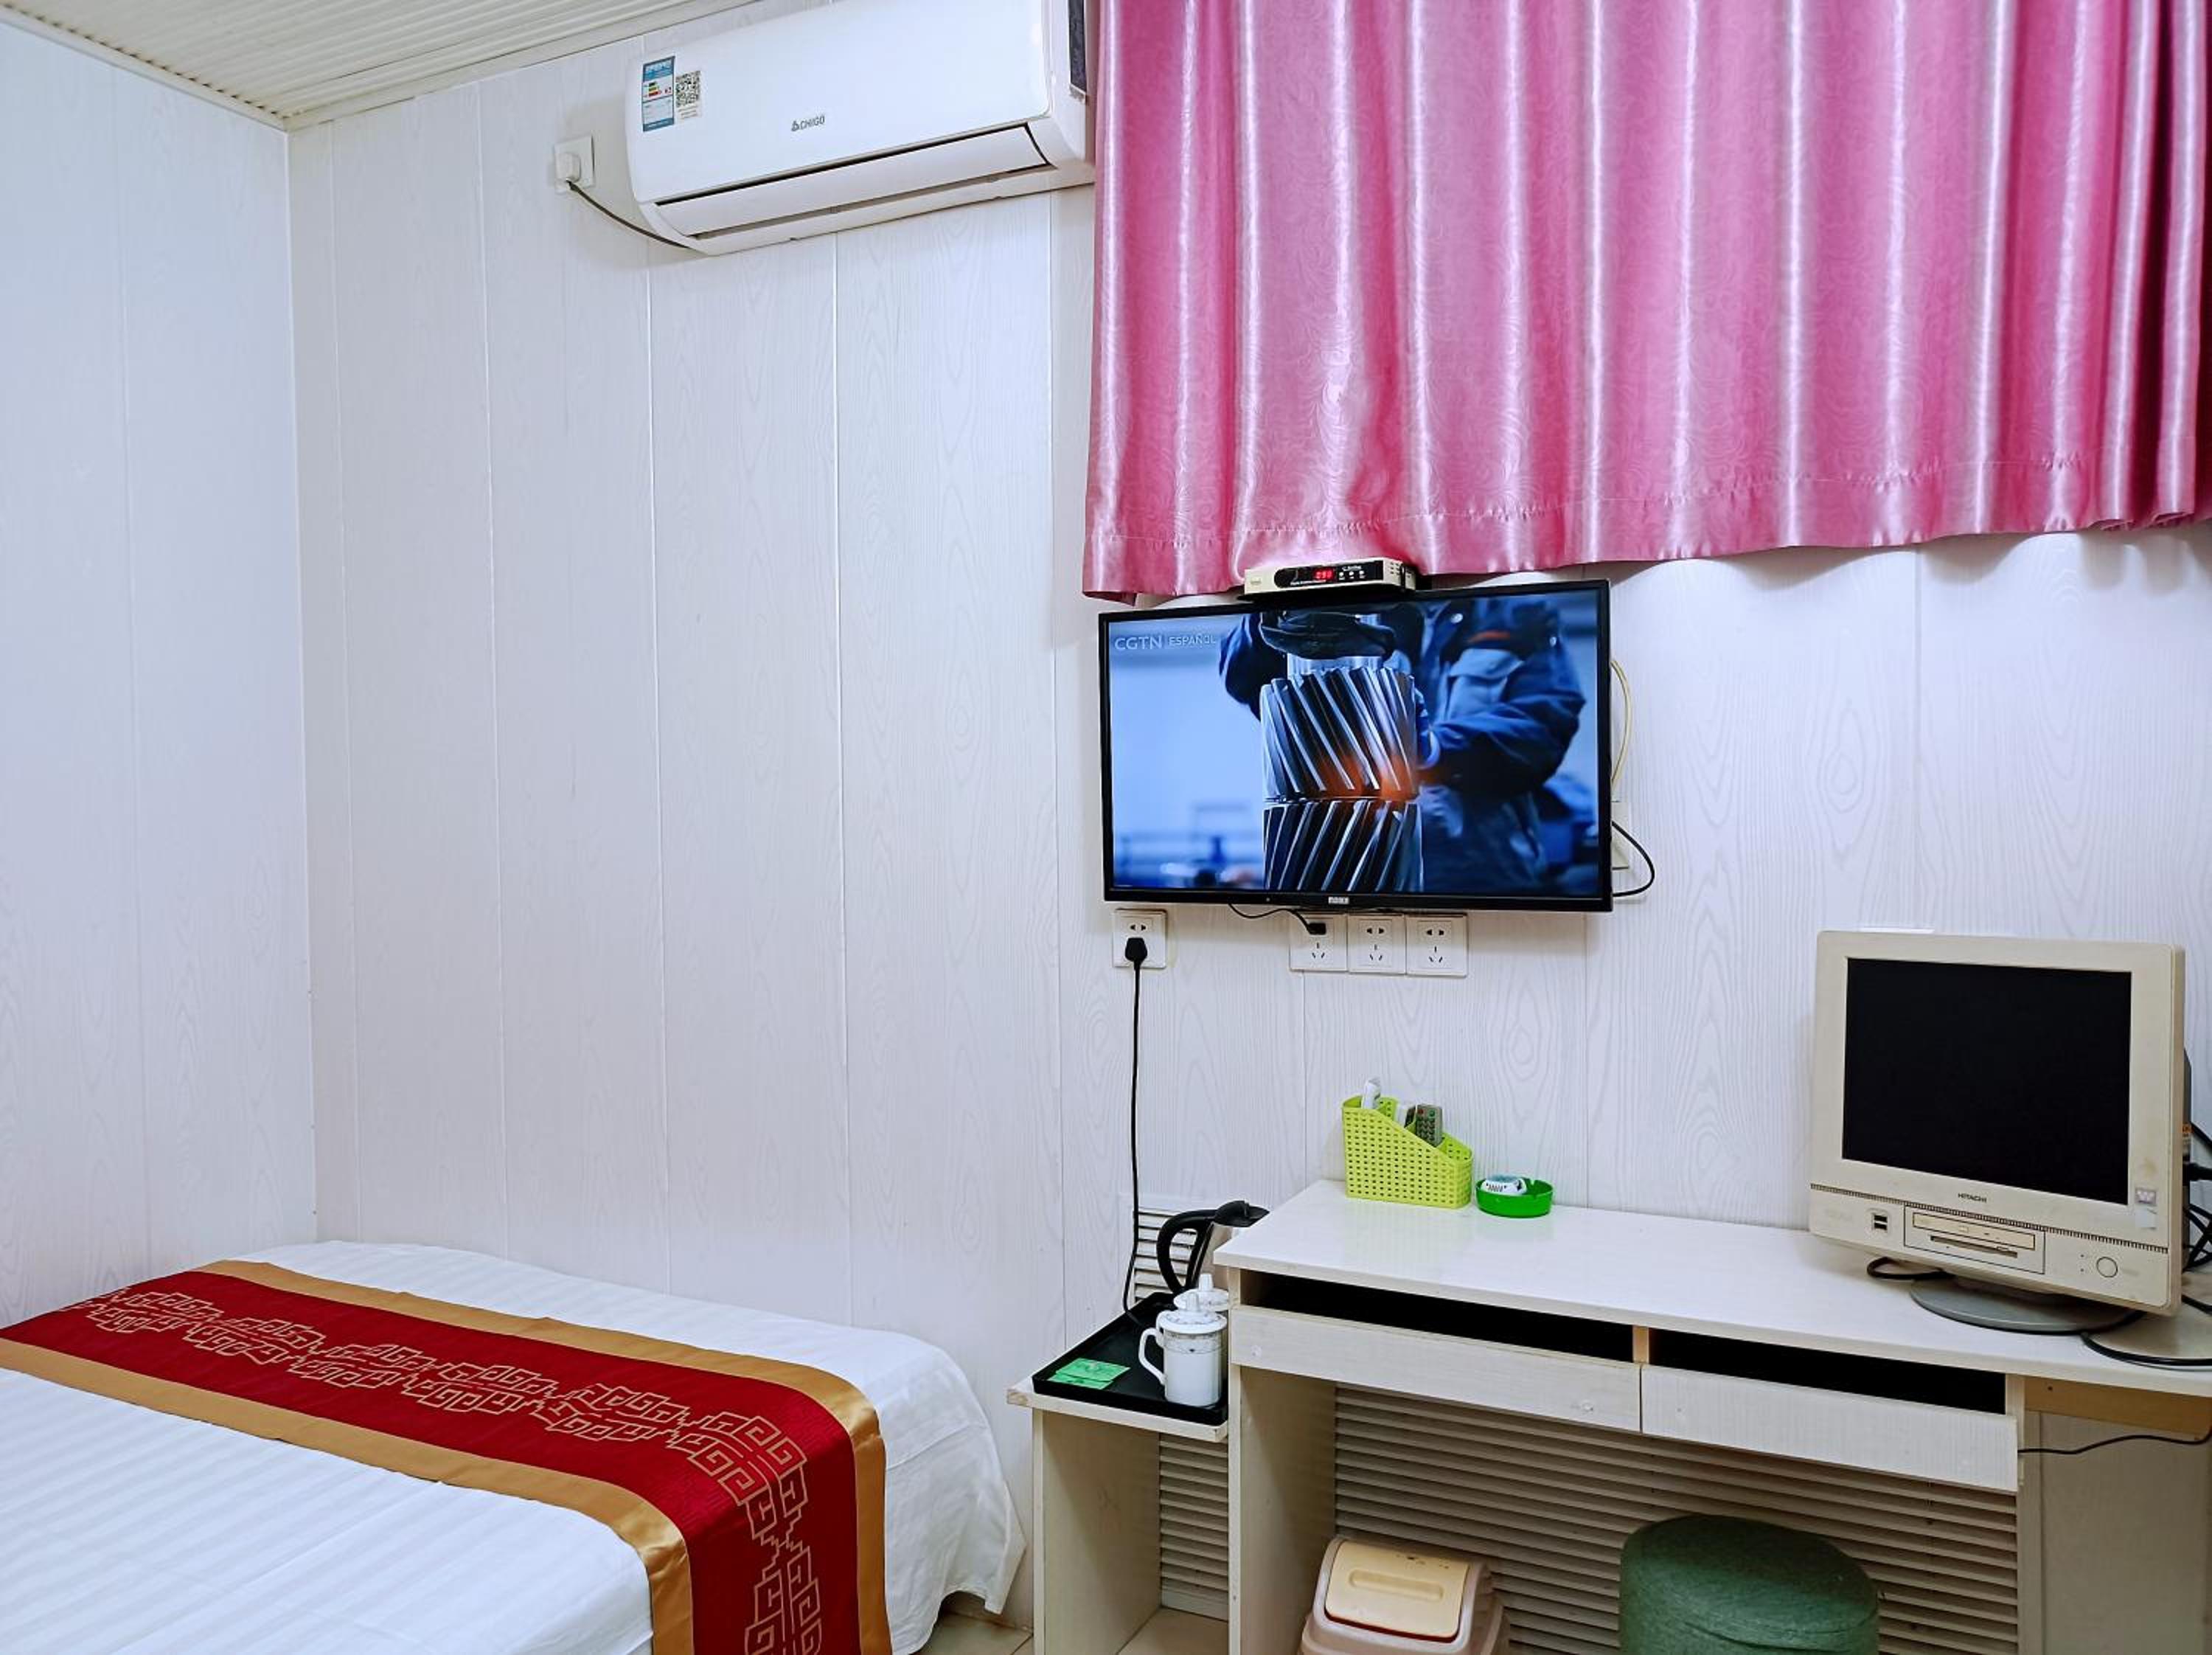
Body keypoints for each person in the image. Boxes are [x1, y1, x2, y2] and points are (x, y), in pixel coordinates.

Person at [1220, 594, 1586, 894]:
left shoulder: (1515, 613)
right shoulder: (1353, 607)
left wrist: (1434, 749)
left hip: (1486, 878)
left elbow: (1545, 724)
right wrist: (1277, 605)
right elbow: (1244, 675)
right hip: (1356, 872)